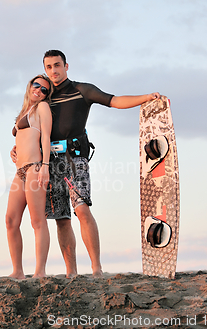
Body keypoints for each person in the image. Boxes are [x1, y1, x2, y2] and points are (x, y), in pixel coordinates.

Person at [11, 50, 160, 278]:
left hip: (74, 158)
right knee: (61, 218)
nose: (53, 71)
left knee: (82, 209)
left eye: (57, 65)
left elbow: (115, 101)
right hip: (50, 162)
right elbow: (33, 130)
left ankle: (96, 268)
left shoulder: (82, 90)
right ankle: (71, 272)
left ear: (66, 66)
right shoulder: (45, 98)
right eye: (48, 67)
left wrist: (146, 97)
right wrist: (19, 149)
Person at [5, 74, 53, 279]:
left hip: (34, 168)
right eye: (37, 86)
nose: (39, 91)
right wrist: (13, 150)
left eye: (44, 90)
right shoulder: (26, 110)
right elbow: (23, 137)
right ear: (29, 86)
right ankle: (17, 271)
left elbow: (46, 138)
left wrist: (45, 166)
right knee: (10, 220)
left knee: (37, 221)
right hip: (20, 171)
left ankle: (40, 271)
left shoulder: (42, 107)